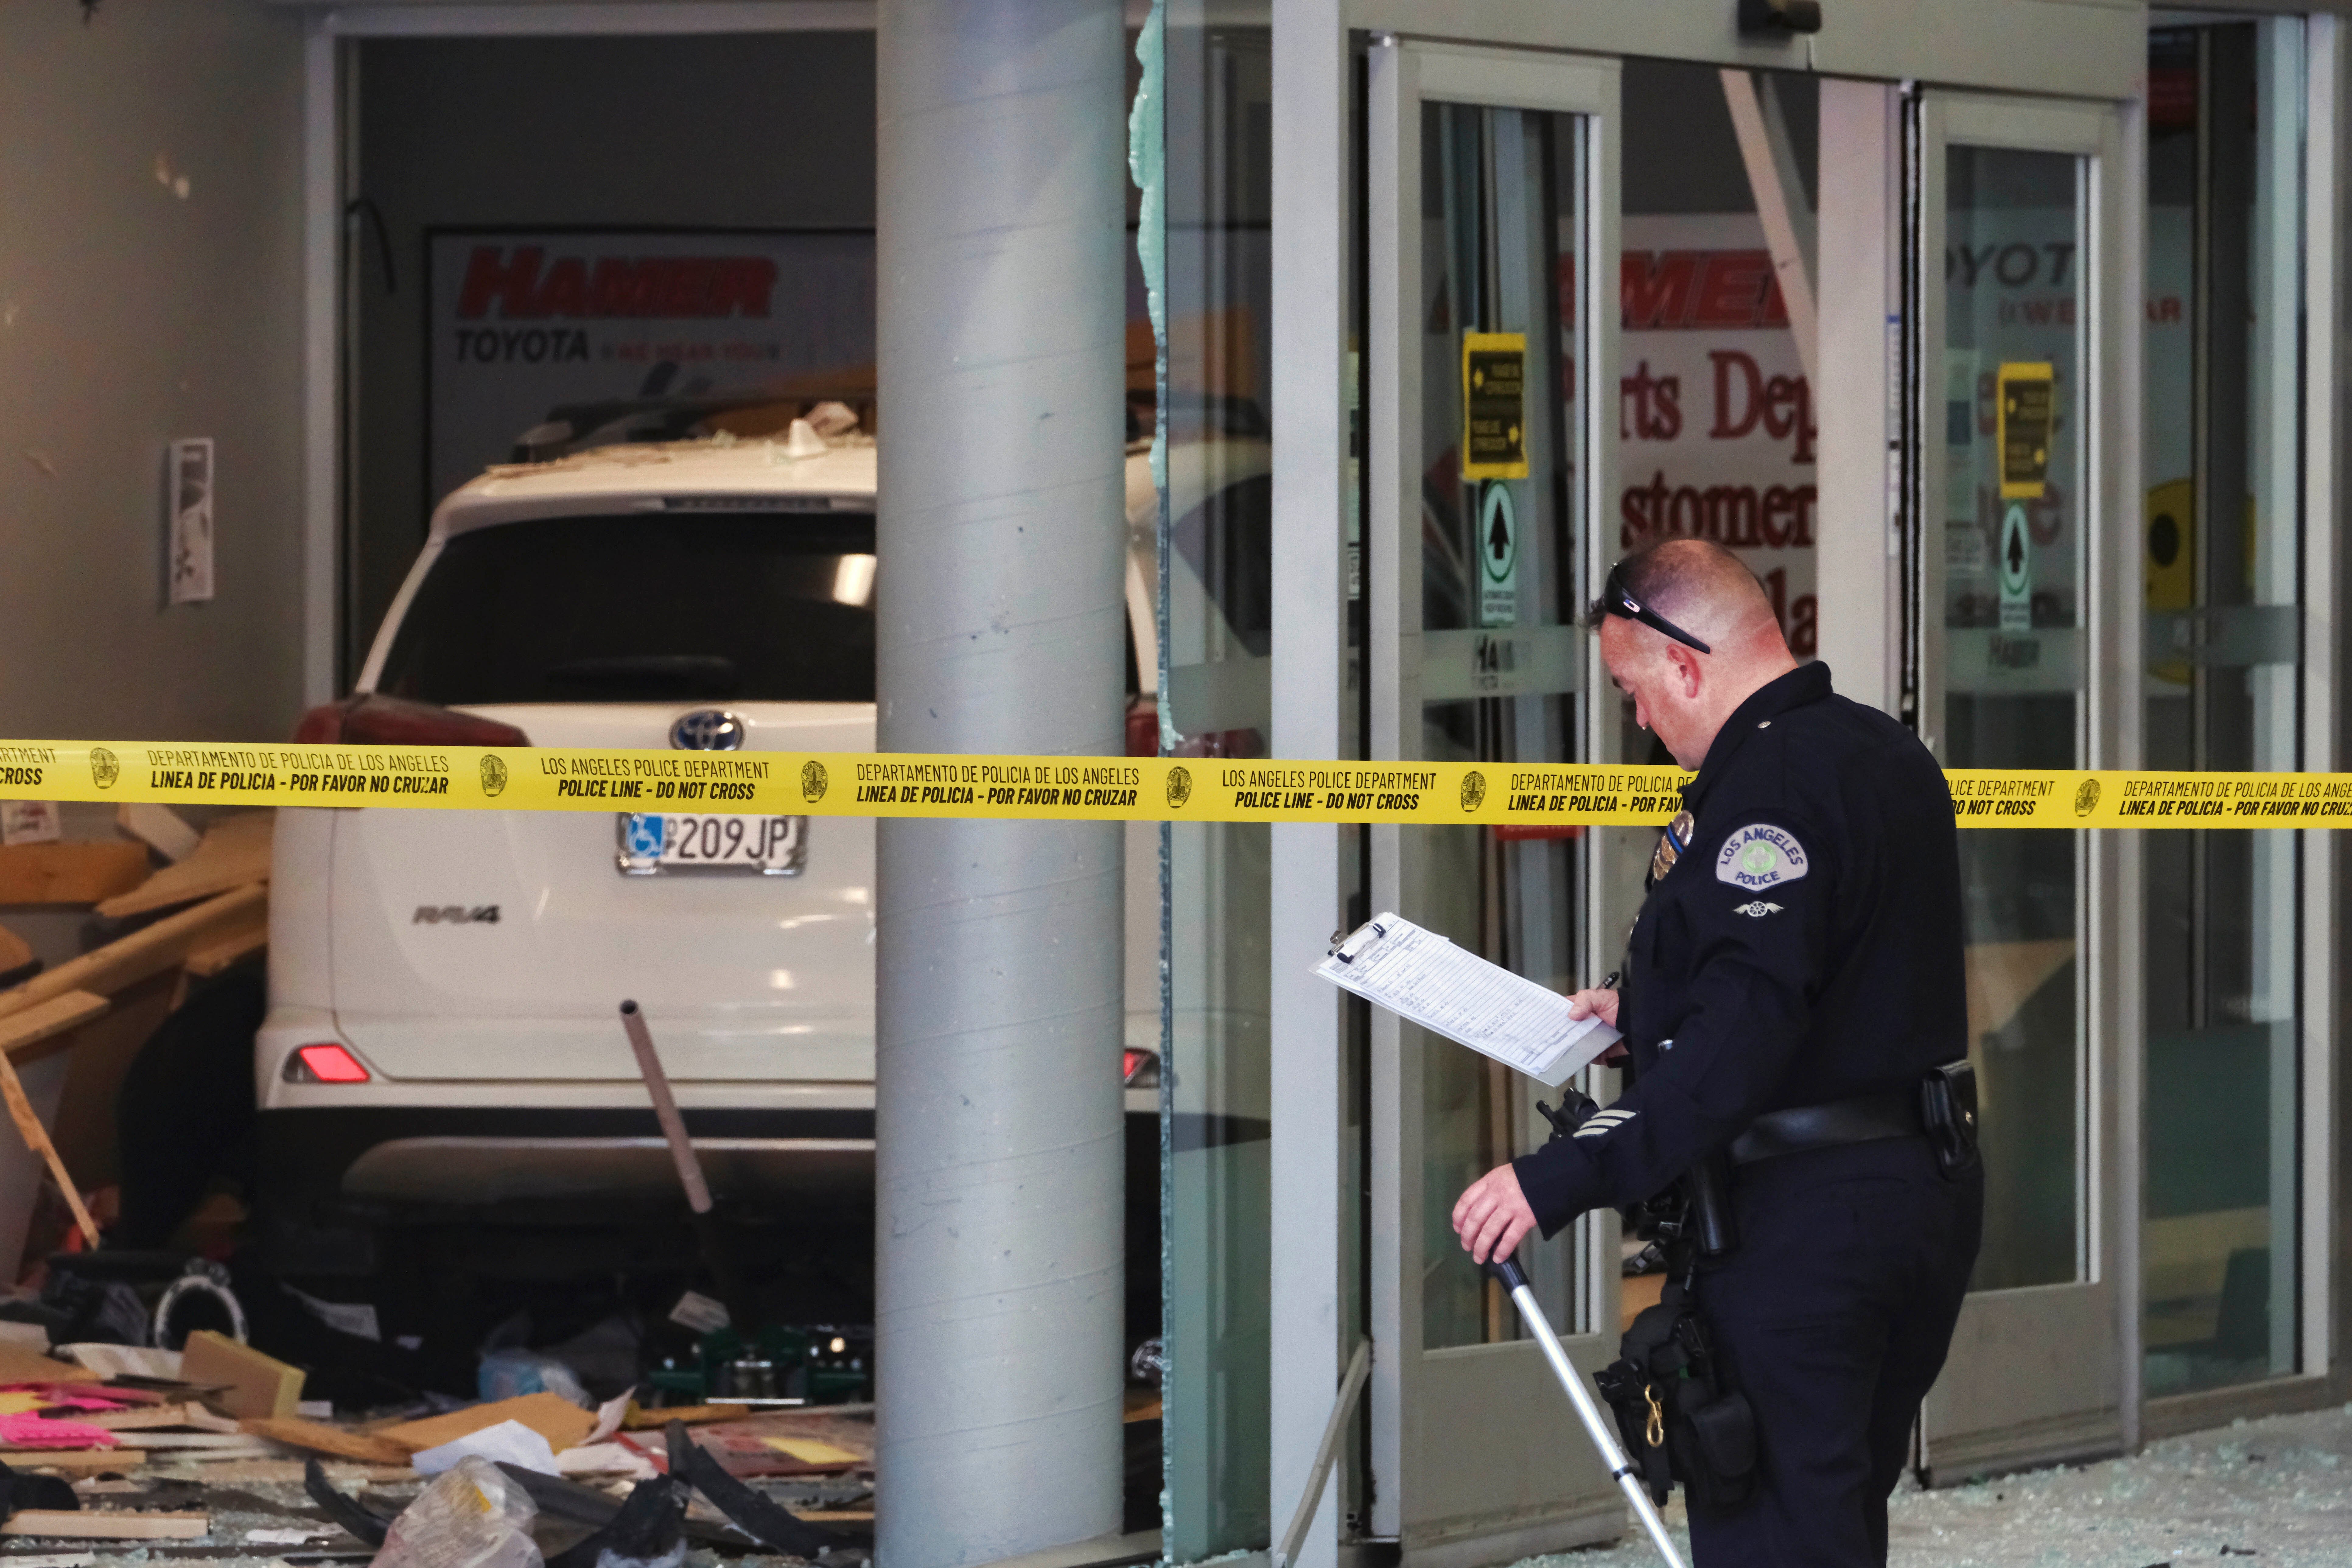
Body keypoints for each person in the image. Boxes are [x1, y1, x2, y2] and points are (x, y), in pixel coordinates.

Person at [1450, 537, 1982, 1567]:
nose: (1641, 722)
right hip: (1916, 1195)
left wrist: (1561, 1176)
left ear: (1686, 664)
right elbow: (1835, 978)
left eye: (1635, 692)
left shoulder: (1767, 787)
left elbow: (1747, 1036)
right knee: (1829, 1517)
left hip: (1808, 1226)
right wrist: (1644, 1009)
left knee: (1780, 1533)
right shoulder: (1882, 751)